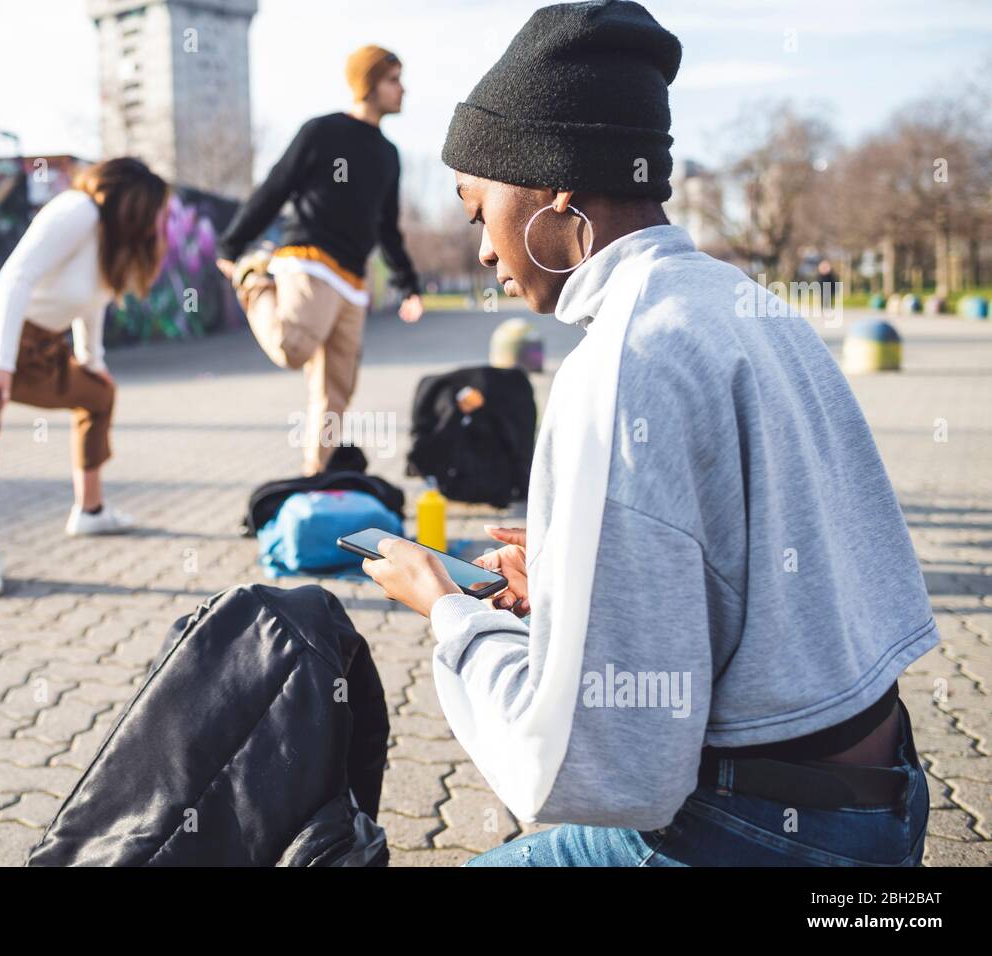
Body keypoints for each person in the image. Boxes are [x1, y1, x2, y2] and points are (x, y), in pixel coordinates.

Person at [361, 0, 936, 866]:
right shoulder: (745, 305)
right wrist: (570, 583)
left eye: (479, 210)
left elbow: (595, 768)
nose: (481, 249)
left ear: (553, 188)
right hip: (881, 797)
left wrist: (447, 612)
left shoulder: (619, 365)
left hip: (758, 834)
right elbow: (758, 579)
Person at [0, 157, 169, 598]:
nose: (159, 221)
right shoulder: (77, 210)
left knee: (100, 395)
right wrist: (0, 365)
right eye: (156, 210)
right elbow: (15, 277)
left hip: (45, 350)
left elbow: (92, 302)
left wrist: (92, 361)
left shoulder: (110, 242)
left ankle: (90, 510)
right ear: (133, 202)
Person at [216, 44, 424, 475]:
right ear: (367, 84)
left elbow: (387, 227)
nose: (402, 89)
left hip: (352, 281)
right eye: (393, 79)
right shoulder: (322, 132)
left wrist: (408, 283)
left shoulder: (388, 154)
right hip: (310, 260)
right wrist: (231, 247)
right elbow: (275, 188)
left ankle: (316, 474)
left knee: (336, 392)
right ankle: (254, 280)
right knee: (293, 348)